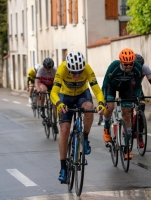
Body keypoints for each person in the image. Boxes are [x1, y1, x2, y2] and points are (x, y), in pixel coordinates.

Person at [50, 51, 106, 183]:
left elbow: (97, 90)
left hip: (82, 94)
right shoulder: (62, 69)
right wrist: (58, 103)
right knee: (64, 130)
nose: (76, 75)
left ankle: (85, 138)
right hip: (65, 97)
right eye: (73, 73)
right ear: (68, 69)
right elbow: (53, 92)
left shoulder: (87, 69)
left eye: (79, 72)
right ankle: (63, 168)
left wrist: (102, 104)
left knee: (88, 108)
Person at [102, 48, 143, 160]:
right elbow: (105, 83)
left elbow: (138, 86)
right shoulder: (114, 66)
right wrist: (103, 99)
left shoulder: (137, 68)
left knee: (126, 113)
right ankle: (106, 128)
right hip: (112, 86)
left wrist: (136, 98)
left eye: (131, 64)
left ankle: (127, 148)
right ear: (121, 62)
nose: (129, 67)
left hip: (126, 88)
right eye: (126, 64)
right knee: (110, 107)